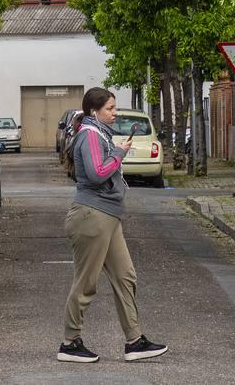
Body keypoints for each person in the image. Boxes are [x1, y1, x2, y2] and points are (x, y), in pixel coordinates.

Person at [57, 86, 168, 364]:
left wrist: (117, 151)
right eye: (110, 109)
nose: (115, 113)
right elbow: (96, 174)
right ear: (94, 112)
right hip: (92, 216)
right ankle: (69, 343)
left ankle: (135, 341)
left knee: (125, 276)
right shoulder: (90, 135)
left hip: (108, 216)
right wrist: (118, 154)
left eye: (115, 108)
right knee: (86, 283)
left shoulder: (99, 134)